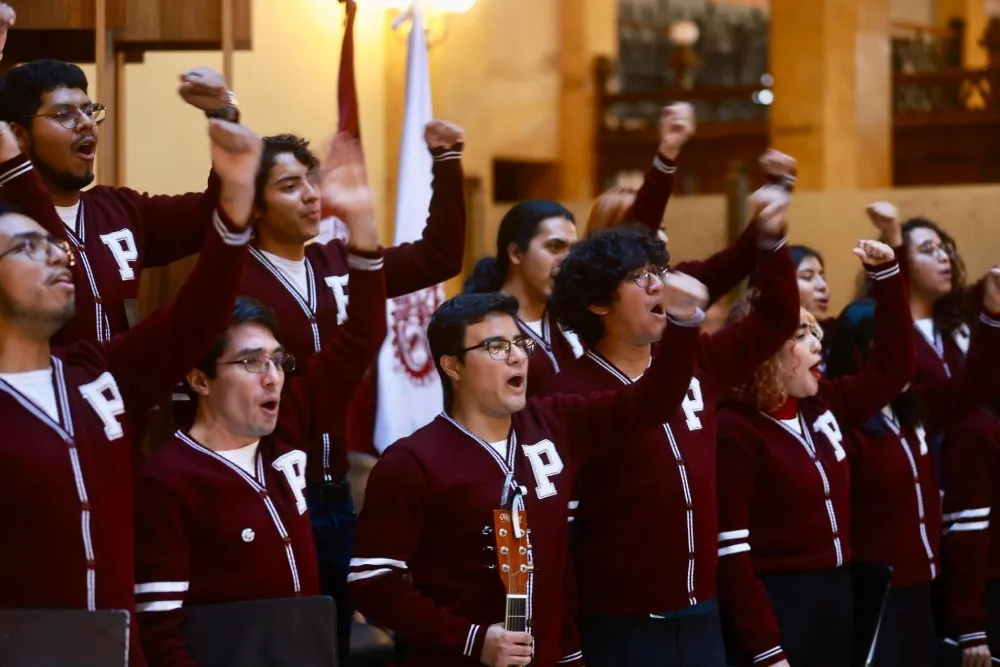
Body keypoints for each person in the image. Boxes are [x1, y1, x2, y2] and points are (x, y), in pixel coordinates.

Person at [349, 267, 712, 666]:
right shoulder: (411, 462)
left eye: (519, 342)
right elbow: (372, 583)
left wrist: (682, 324)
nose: (518, 355)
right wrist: (472, 639)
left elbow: (651, 403)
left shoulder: (556, 423)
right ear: (452, 366)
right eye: (496, 346)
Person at [0, 116, 260, 666]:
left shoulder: (98, 372)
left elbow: (198, 317)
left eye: (54, 245)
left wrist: (235, 206)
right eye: (28, 247)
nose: (57, 254)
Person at [133, 143, 388, 666]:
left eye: (278, 360)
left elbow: (363, 334)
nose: (272, 377)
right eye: (251, 362)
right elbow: (159, 633)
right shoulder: (169, 480)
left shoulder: (285, 429)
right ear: (199, 379)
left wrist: (362, 225)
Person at [539, 183, 798, 667]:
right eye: (638, 277)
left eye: (659, 271)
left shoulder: (697, 359)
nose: (658, 284)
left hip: (703, 617)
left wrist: (773, 239)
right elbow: (558, 544)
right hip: (621, 629)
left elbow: (777, 318)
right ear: (598, 303)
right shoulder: (567, 394)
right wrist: (569, 650)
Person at [236, 121, 465, 662]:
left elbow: (439, 258)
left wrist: (447, 162)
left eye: (311, 182)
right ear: (255, 206)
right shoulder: (238, 280)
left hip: (336, 492)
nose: (310, 195)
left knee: (335, 644)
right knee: (287, 646)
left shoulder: (337, 262)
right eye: (289, 185)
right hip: (273, 493)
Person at [715, 239, 914, 667]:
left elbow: (894, 366)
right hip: (779, 605)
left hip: (838, 596)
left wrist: (887, 278)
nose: (818, 344)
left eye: (815, 333)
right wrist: (765, 648)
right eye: (802, 336)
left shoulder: (824, 402)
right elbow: (731, 553)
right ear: (765, 349)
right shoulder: (734, 429)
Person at [825, 270, 1000, 667]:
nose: (906, 358)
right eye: (888, 348)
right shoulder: (843, 426)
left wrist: (991, 315)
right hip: (875, 595)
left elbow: (976, 383)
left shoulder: (916, 408)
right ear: (860, 352)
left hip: (924, 590)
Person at [0, 57, 238, 345]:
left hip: (120, 374)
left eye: (89, 110)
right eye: (65, 114)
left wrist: (224, 115)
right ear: (19, 135)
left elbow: (216, 214)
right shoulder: (7, 223)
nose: (86, 123)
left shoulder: (120, 209)